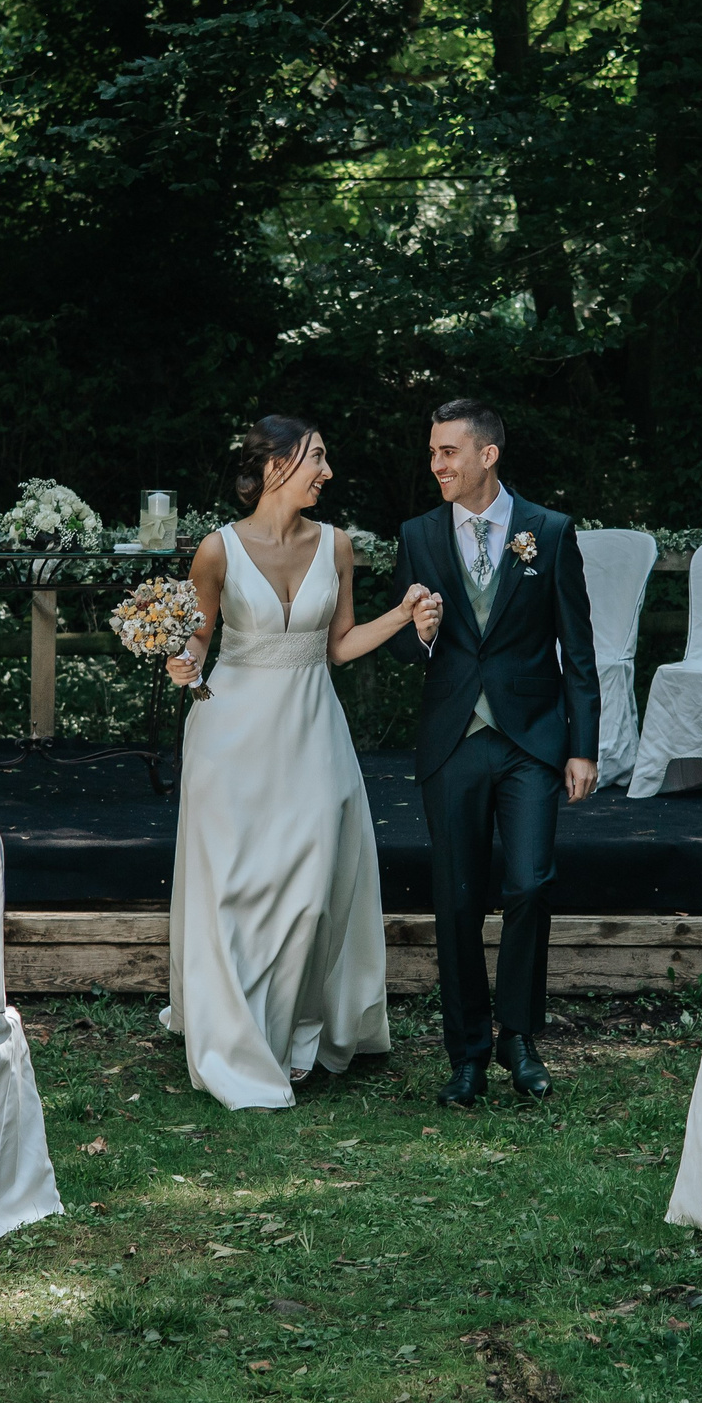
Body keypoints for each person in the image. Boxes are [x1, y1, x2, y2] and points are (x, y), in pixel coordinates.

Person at [159, 416, 424, 1109]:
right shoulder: (216, 551)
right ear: (275, 464)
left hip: (312, 729)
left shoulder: (336, 544)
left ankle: (291, 1029)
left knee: (310, 890)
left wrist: (401, 616)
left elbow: (338, 645)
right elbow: (196, 644)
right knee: (233, 891)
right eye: (317, 458)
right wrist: (180, 662)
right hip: (229, 734)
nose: (328, 472)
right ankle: (234, 1037)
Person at [387, 399, 599, 1106]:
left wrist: (582, 745)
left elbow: (579, 649)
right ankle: (468, 1052)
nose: (437, 464)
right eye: (433, 452)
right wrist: (418, 630)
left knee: (531, 882)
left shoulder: (549, 531)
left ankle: (520, 1036)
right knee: (456, 901)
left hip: (532, 740)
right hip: (454, 740)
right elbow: (403, 639)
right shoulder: (417, 534)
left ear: (487, 454)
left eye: (449, 451)